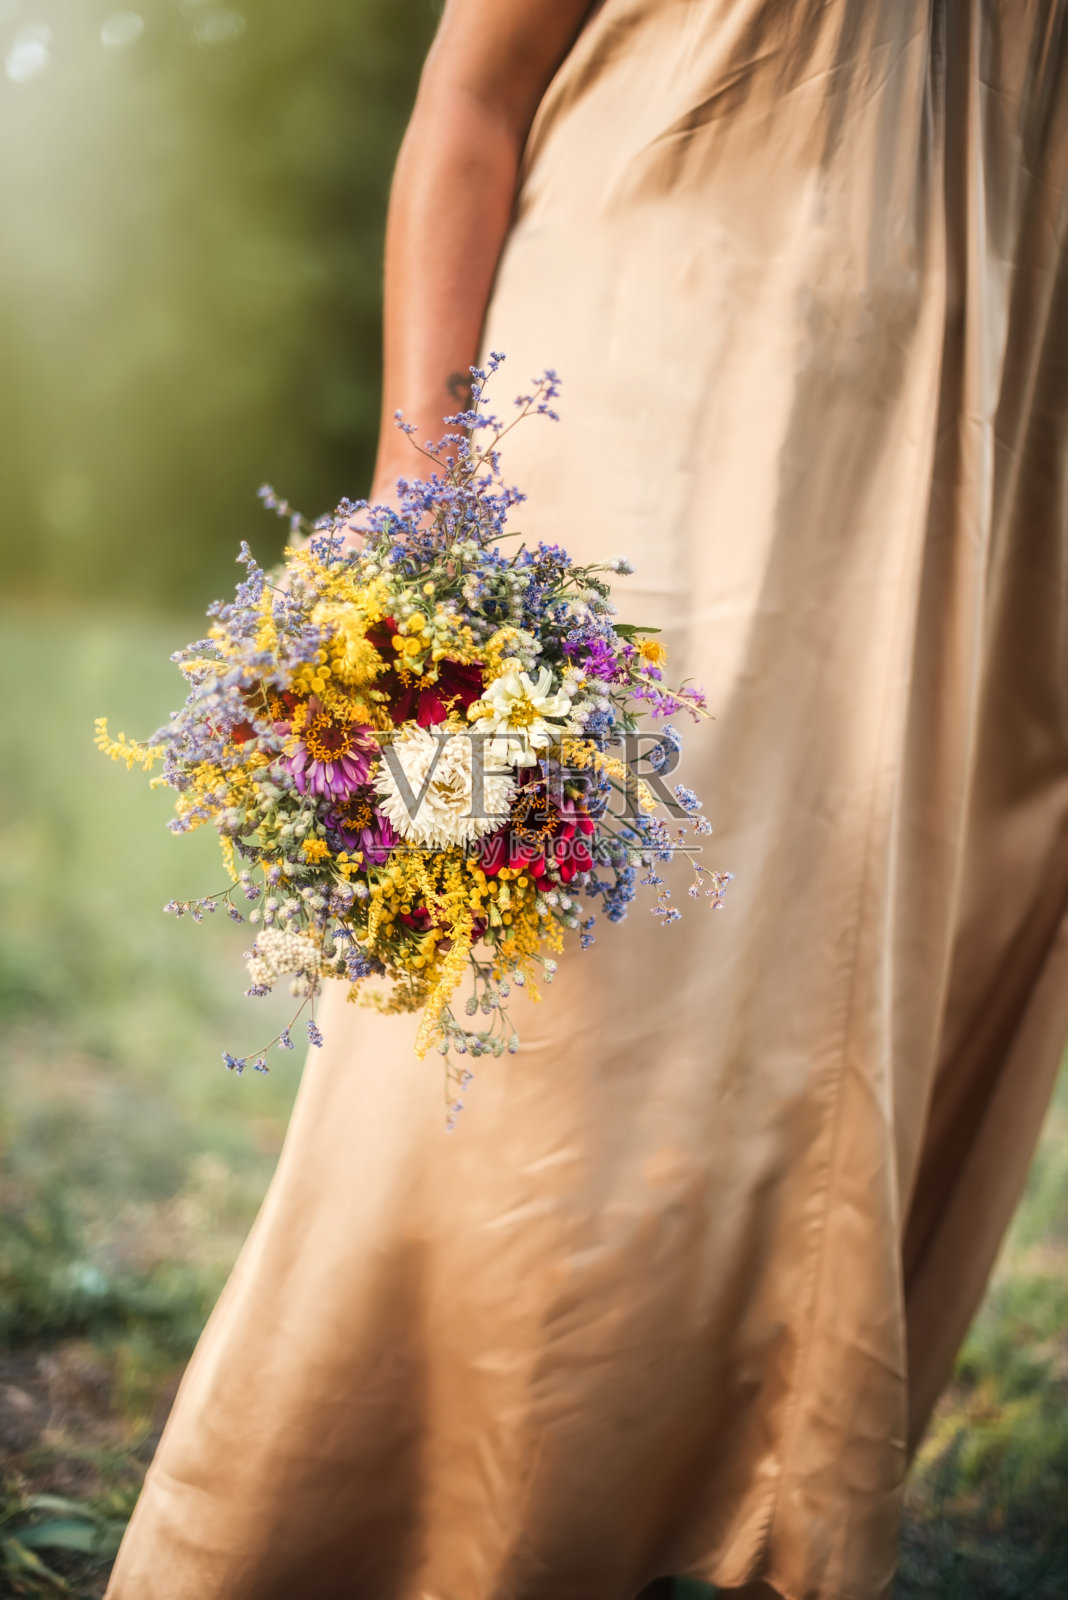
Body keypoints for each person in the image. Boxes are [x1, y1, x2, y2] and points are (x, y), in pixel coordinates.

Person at [105, 2, 1068, 1597]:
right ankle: (358, 1528)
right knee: (534, 1023)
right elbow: (472, 94)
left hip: (979, 473)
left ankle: (726, 1519)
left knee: (846, 1024)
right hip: (647, 422)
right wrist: (424, 518)